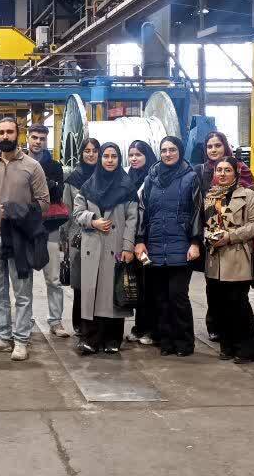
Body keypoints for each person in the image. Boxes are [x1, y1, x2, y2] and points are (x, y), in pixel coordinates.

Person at [0, 117, 50, 361]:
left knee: (22, 293)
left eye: (9, 132)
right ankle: (3, 337)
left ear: (18, 135)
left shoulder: (32, 166)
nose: (5, 136)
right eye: (1, 132)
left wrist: (18, 212)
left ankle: (21, 340)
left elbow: (44, 203)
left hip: (20, 238)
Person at [134, 136, 201, 356]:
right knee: (160, 298)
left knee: (178, 296)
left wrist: (195, 242)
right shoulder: (151, 178)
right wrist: (140, 240)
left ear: (180, 151)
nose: (168, 154)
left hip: (181, 245)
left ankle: (184, 342)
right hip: (155, 245)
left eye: (172, 150)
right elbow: (143, 211)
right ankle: (166, 341)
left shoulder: (190, 177)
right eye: (164, 150)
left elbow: (197, 211)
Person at [72, 143, 138, 355]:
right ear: (100, 159)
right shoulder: (88, 186)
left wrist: (128, 247)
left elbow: (132, 220)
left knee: (112, 295)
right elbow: (77, 213)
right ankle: (90, 339)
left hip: (115, 248)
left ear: (119, 160)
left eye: (114, 156)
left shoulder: (127, 187)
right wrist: (92, 221)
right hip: (92, 246)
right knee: (90, 294)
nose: (109, 160)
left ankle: (112, 339)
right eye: (106, 156)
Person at [201, 157, 254, 364]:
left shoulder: (247, 195)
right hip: (215, 259)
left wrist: (230, 236)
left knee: (238, 305)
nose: (222, 174)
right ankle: (226, 347)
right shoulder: (210, 196)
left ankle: (246, 350)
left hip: (237, 258)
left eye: (227, 170)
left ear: (236, 173)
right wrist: (208, 236)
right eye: (219, 170)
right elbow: (204, 224)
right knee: (219, 306)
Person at [195, 130, 254, 343]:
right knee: (213, 287)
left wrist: (231, 233)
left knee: (236, 294)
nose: (213, 150)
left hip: (236, 244)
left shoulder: (241, 170)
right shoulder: (201, 171)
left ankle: (238, 337)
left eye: (217, 145)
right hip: (211, 241)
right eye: (209, 146)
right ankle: (215, 326)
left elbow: (251, 208)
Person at [24, 124, 70, 338]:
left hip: (49, 227)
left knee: (53, 279)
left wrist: (41, 181)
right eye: (34, 137)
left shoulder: (55, 166)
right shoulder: (19, 163)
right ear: (27, 138)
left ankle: (56, 321)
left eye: (42, 138)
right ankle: (26, 320)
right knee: (24, 280)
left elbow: (58, 193)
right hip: (25, 229)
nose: (38, 142)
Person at [63, 137, 100, 338]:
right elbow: (67, 211)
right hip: (78, 236)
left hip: (102, 235)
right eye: (87, 150)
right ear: (81, 153)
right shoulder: (73, 179)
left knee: (100, 282)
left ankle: (98, 322)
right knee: (80, 282)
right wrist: (66, 240)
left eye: (94, 150)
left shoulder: (106, 176)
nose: (91, 154)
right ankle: (79, 323)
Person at [124, 139, 158, 343]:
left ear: (147, 156)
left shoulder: (152, 178)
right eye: (131, 155)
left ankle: (151, 330)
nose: (134, 158)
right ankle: (140, 327)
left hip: (146, 241)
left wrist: (140, 238)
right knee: (136, 284)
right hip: (131, 240)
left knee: (149, 285)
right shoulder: (127, 177)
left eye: (138, 154)